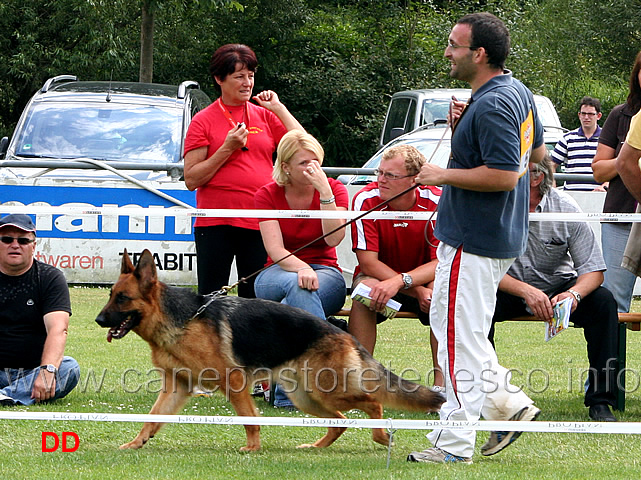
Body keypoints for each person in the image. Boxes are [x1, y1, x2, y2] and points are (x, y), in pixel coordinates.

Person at [406, 12, 546, 465]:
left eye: (453, 44)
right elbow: (537, 157)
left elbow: (506, 175)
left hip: (474, 238)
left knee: (457, 339)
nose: (447, 51)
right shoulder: (515, 93)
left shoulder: (493, 104)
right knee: (460, 335)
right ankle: (509, 406)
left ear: (478, 54)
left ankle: (453, 445)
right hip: (492, 236)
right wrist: (464, 128)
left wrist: (439, 174)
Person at [489, 157, 619, 422]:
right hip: (508, 287)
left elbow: (594, 271)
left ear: (536, 178)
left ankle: (601, 400)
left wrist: (574, 294)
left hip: (559, 286)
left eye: (512, 171)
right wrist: (526, 291)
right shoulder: (494, 206)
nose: (501, 176)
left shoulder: (566, 207)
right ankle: (489, 395)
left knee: (604, 303)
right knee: (474, 302)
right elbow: (483, 267)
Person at [184, 44, 304, 298]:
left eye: (251, 76)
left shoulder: (264, 115)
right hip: (215, 221)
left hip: (259, 220)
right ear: (219, 79)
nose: (247, 83)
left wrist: (279, 109)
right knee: (210, 297)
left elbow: (305, 147)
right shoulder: (203, 120)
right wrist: (227, 148)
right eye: (239, 76)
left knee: (255, 298)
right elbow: (192, 179)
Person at [254, 130, 348, 408]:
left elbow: (333, 239)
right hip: (278, 272)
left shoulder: (334, 190)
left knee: (290, 306)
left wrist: (326, 194)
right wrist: (302, 268)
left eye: (315, 162)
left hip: (326, 272)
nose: (312, 169)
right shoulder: (267, 194)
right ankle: (326, 378)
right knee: (298, 286)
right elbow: (276, 251)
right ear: (285, 167)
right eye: (304, 164)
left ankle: (286, 395)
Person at [349, 144, 443, 388]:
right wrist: (409, 287)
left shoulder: (437, 200)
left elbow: (441, 261)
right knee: (363, 294)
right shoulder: (364, 199)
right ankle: (361, 382)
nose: (381, 180)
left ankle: (442, 388)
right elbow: (368, 262)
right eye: (379, 173)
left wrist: (406, 283)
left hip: (424, 282)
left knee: (442, 294)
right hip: (381, 281)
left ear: (415, 180)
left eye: (390, 175)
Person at [0, 214, 79, 406]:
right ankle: (12, 396)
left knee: (68, 368)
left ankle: (7, 394)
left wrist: (47, 371)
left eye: (23, 240)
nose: (15, 245)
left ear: (34, 246)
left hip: (31, 371)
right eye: (7, 239)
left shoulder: (50, 278)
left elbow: (58, 329)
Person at [592, 51, 641, 313]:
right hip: (620, 219)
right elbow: (599, 171)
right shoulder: (620, 115)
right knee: (615, 303)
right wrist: (628, 158)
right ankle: (614, 356)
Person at [551, 96, 605, 191]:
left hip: (599, 196)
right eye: (583, 114)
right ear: (579, 115)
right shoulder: (567, 138)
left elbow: (617, 167)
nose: (586, 117)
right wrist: (553, 189)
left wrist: (604, 186)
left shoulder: (607, 138)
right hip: (571, 197)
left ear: (598, 116)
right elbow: (550, 165)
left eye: (590, 114)